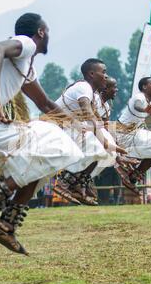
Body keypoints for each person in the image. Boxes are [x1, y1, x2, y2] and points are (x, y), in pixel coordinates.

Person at [0, 13, 84, 255]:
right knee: (50, 142)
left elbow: (46, 104)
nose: (49, 35)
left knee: (45, 160)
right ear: (41, 32)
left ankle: (5, 226)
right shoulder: (25, 44)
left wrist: (79, 126)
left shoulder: (26, 67)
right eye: (47, 30)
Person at [53, 59, 126, 205]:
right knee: (99, 145)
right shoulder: (83, 87)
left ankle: (79, 184)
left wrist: (114, 149)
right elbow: (89, 115)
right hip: (55, 128)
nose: (106, 76)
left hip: (69, 129)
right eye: (103, 72)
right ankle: (64, 182)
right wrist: (106, 142)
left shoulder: (93, 95)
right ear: (91, 74)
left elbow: (97, 123)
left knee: (105, 151)